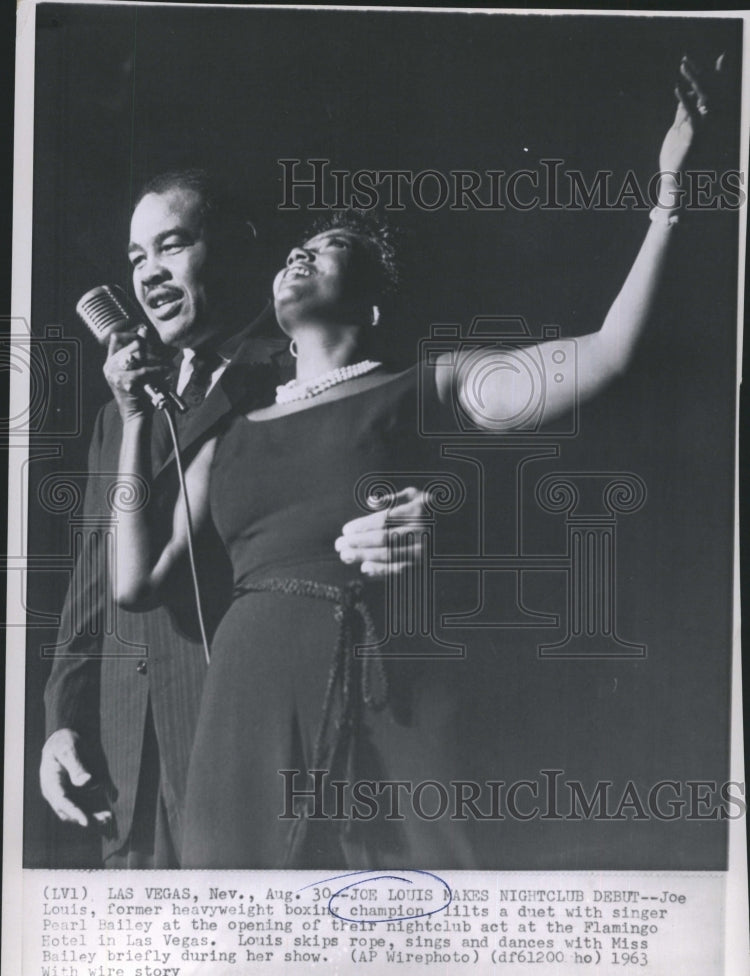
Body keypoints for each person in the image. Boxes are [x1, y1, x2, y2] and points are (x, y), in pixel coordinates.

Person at [111, 58, 722, 869]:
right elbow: (134, 582)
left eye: (331, 247)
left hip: (386, 686)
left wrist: (669, 196)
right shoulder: (231, 432)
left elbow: (609, 356)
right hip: (248, 698)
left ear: (371, 299)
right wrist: (128, 422)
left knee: (425, 904)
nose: (304, 252)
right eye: (298, 245)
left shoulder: (426, 384)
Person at [40, 169, 430, 867]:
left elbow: (405, 460)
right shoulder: (115, 413)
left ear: (227, 249)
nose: (150, 273)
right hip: (127, 770)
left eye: (173, 246)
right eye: (136, 259)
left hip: (248, 735)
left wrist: (436, 514)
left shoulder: (303, 372)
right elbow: (94, 580)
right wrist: (62, 720)